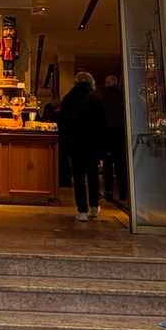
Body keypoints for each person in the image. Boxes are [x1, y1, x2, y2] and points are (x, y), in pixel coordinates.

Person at [57, 72, 105, 221]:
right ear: (91, 82)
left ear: (76, 82)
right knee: (93, 175)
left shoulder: (68, 98)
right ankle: (94, 207)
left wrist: (65, 144)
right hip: (92, 143)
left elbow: (63, 124)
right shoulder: (96, 98)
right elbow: (102, 124)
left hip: (75, 144)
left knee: (78, 177)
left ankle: (82, 211)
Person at [100, 74, 129, 205]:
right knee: (121, 164)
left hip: (106, 135)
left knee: (107, 164)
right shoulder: (123, 95)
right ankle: (123, 192)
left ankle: (108, 191)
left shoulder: (103, 97)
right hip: (120, 134)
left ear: (107, 83)